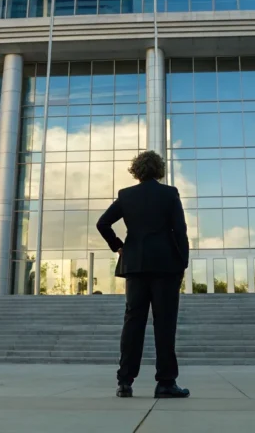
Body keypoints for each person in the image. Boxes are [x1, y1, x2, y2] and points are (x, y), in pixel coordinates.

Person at [97, 150, 190, 399]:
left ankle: (125, 381)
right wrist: (183, 262)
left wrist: (118, 246)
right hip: (166, 266)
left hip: (135, 265)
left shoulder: (126, 196)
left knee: (133, 323)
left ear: (136, 171)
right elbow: (180, 230)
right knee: (165, 323)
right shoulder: (169, 193)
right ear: (158, 169)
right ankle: (166, 382)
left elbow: (102, 223)